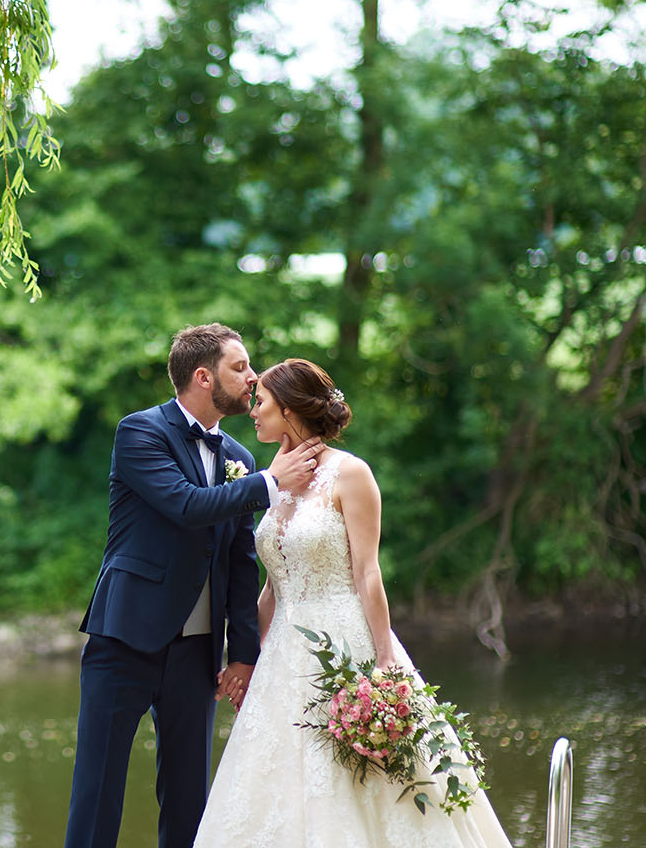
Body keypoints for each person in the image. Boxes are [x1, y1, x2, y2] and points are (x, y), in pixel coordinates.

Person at [192, 358, 515, 848]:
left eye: (261, 403)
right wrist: (245, 659)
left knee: (363, 780)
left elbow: (367, 573)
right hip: (282, 654)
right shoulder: (272, 480)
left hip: (345, 642)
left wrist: (385, 660)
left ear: (291, 408)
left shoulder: (351, 474)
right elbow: (274, 586)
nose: (252, 411)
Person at [63, 324, 324, 848]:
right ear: (204, 377)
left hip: (197, 654)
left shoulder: (240, 458)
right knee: (97, 796)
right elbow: (184, 505)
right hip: (125, 640)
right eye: (240, 367)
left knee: (189, 804)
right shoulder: (139, 432)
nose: (252, 378)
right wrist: (272, 484)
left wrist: (244, 654)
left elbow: (239, 559)